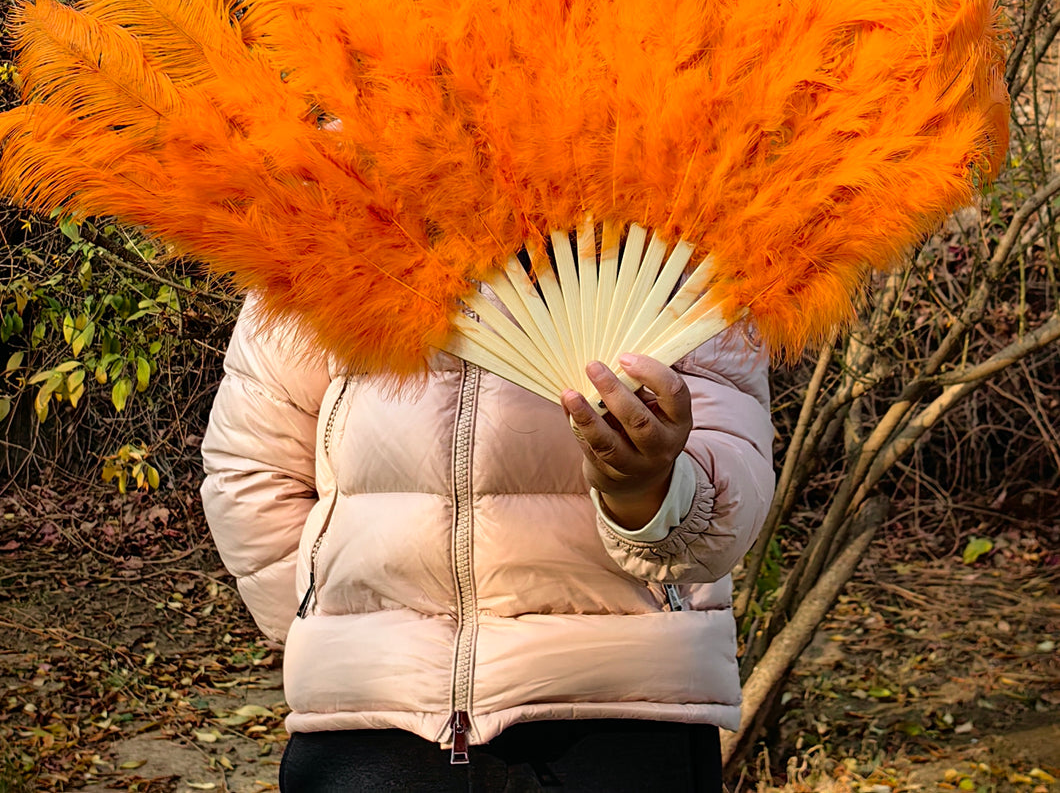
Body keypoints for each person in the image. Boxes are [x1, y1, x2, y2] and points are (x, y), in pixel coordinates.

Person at [201, 292, 774, 792]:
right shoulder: (325, 230)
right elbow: (252, 470)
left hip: (624, 724)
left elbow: (726, 499)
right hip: (375, 736)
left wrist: (647, 492)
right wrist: (337, 634)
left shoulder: (684, 248)